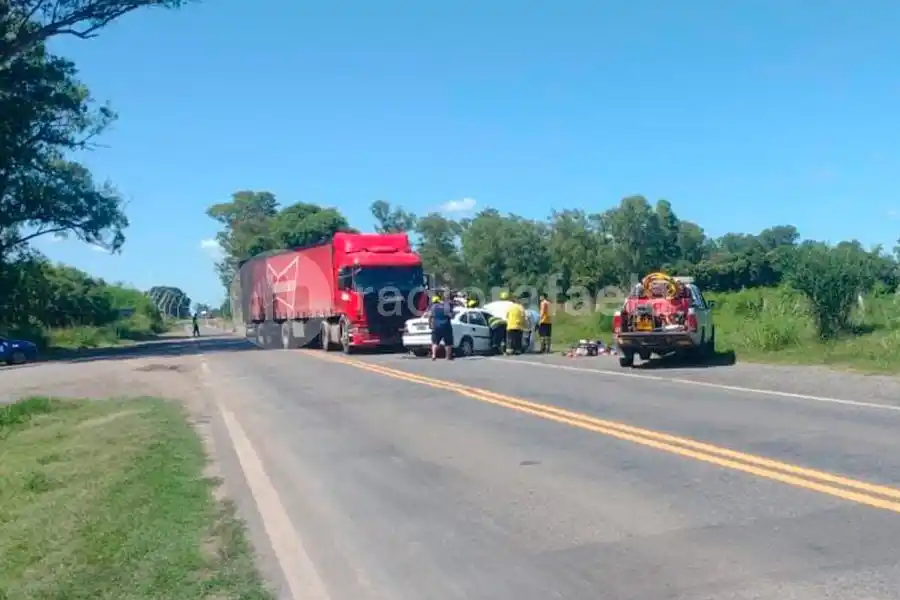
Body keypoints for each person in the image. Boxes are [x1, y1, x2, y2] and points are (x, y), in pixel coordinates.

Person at [429, 295, 454, 361]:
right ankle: (448, 356)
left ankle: (433, 355)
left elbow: (430, 316)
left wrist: (430, 325)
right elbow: (451, 316)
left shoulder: (434, 307)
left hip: (436, 326)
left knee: (435, 342)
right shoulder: (447, 307)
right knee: (448, 343)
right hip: (446, 326)